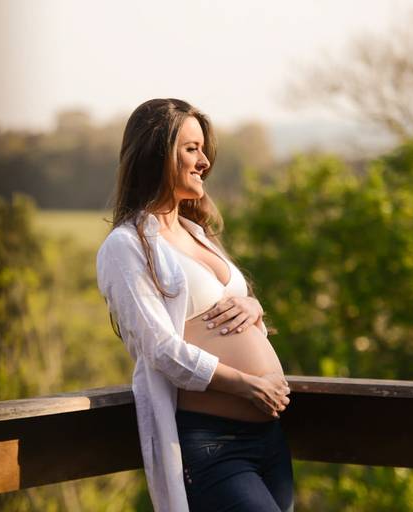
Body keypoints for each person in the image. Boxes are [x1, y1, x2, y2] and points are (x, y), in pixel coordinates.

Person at [96, 98, 294, 511]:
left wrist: (254, 307)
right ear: (156, 153)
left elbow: (229, 302)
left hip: (269, 440)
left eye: (203, 149)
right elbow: (161, 349)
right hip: (214, 444)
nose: (205, 161)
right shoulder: (127, 246)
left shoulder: (196, 231)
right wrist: (248, 385)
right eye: (191, 148)